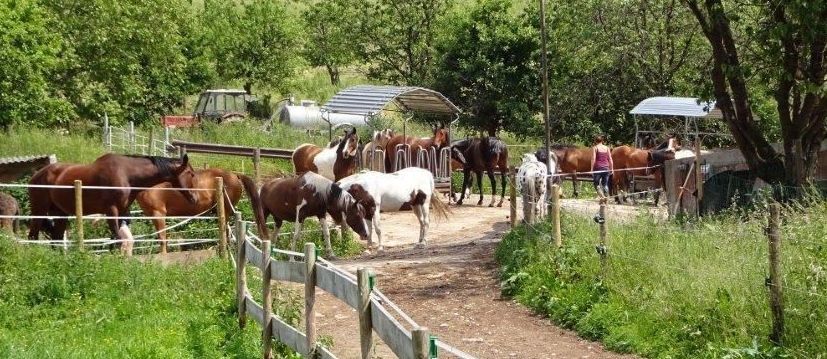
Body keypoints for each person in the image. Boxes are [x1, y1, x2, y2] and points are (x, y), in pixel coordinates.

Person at [590, 135, 614, 199]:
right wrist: (612, 169)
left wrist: (591, 169)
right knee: (605, 184)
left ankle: (602, 197)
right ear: (602, 141)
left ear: (595, 141)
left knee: (596, 184)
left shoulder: (595, 148)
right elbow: (610, 159)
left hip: (598, 168)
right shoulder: (607, 148)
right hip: (606, 168)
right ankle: (606, 197)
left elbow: (593, 159)